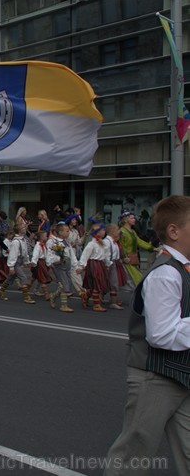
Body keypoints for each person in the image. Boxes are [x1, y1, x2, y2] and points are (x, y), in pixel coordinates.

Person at [104, 195, 190, 476]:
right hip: (155, 376)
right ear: (174, 232)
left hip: (181, 374)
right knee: (134, 454)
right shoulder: (165, 274)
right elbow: (162, 335)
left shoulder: (183, 269)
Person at [76, 221, 111, 312]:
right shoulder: (91, 244)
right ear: (98, 232)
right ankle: (96, 305)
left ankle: (85, 296)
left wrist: (107, 264)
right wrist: (80, 266)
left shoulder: (104, 244)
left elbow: (106, 255)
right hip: (93, 265)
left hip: (100, 265)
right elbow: (85, 255)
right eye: (103, 230)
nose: (104, 231)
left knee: (96, 285)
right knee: (96, 285)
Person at [0, 222, 36, 304]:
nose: (25, 228)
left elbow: (24, 252)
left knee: (10, 278)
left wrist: (26, 261)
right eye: (23, 228)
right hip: (15, 262)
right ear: (19, 230)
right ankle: (26, 297)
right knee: (23, 278)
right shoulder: (16, 242)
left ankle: (0, 292)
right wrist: (11, 267)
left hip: (20, 261)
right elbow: (12, 255)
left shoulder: (23, 240)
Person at [118, 209, 157, 286]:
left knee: (137, 280)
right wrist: (123, 257)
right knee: (136, 280)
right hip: (126, 260)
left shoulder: (132, 231)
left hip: (133, 259)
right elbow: (119, 245)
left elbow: (139, 242)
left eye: (134, 218)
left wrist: (152, 248)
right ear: (126, 220)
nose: (134, 219)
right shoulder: (122, 231)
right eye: (131, 218)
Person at [46, 222, 76, 313]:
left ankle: (53, 296)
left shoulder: (66, 242)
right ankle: (64, 305)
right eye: (67, 231)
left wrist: (75, 265)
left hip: (67, 265)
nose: (68, 233)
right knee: (64, 284)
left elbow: (71, 254)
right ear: (60, 232)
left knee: (67, 284)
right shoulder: (52, 242)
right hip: (59, 266)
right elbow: (49, 255)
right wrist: (59, 258)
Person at [105, 223, 130, 310]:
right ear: (112, 232)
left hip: (114, 263)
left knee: (113, 283)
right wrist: (108, 264)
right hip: (109, 264)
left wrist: (121, 260)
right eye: (117, 230)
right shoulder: (107, 242)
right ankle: (112, 301)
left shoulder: (114, 242)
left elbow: (116, 253)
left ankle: (113, 301)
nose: (119, 232)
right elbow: (106, 254)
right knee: (108, 282)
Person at [30, 230, 52, 301]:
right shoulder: (38, 246)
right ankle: (46, 294)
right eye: (45, 236)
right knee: (42, 279)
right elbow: (35, 255)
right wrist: (34, 262)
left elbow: (47, 255)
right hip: (39, 263)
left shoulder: (44, 245)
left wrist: (49, 263)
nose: (47, 237)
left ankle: (26, 288)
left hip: (43, 262)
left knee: (34, 277)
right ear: (41, 238)